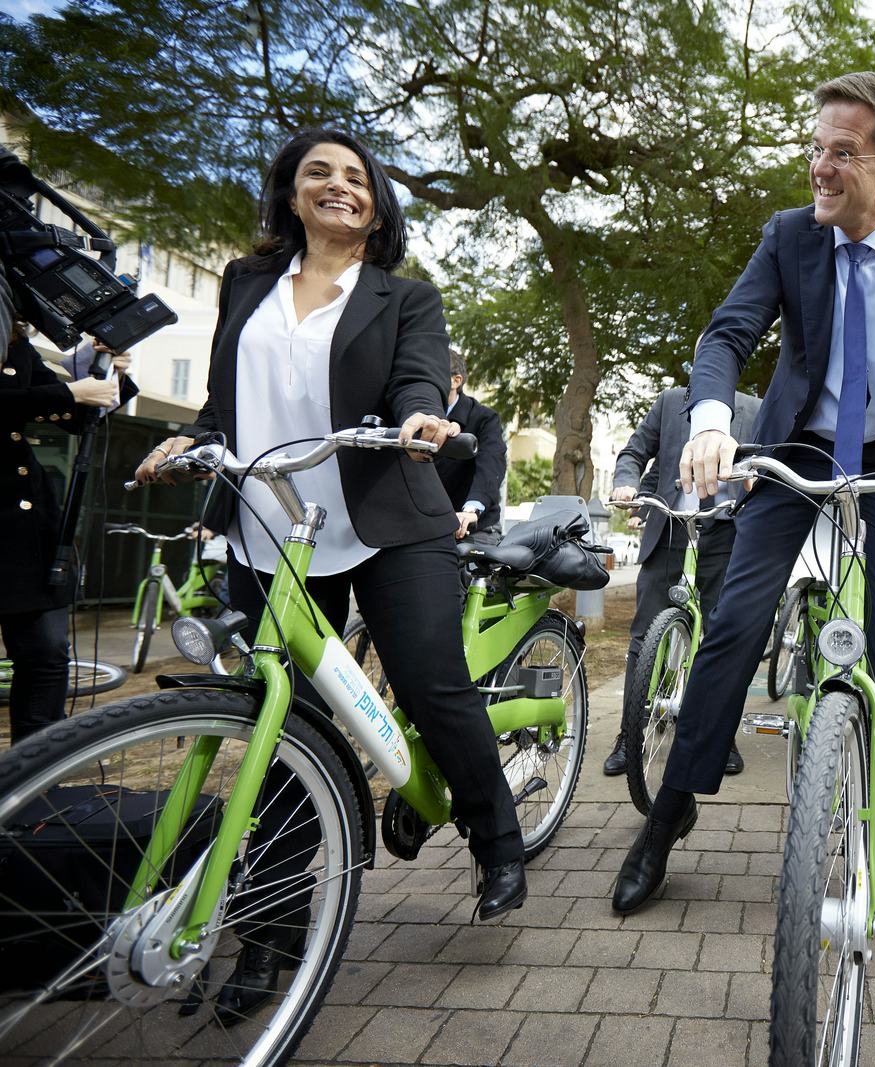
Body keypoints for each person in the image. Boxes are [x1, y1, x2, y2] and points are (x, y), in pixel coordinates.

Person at [611, 72, 875, 954]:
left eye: (843, 152)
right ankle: (672, 810)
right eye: (816, 148)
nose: (820, 167)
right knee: (733, 623)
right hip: (796, 452)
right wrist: (708, 422)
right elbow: (727, 335)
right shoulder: (786, 239)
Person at [134, 128, 526, 1020]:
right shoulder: (246, 282)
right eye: (320, 172)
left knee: (433, 681)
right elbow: (222, 404)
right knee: (282, 735)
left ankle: (495, 835)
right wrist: (192, 441)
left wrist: (423, 417)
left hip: (388, 519)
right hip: (272, 531)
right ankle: (271, 942)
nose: (338, 186)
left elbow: (418, 381)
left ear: (377, 204)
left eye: (356, 177)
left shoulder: (404, 296)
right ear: (292, 191)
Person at [602, 384, 760, 777]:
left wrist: (757, 480)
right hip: (669, 527)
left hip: (726, 530)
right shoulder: (671, 402)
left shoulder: (754, 409)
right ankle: (629, 734)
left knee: (724, 635)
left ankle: (720, 736)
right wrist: (626, 482)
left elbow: (767, 460)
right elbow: (634, 451)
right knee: (643, 636)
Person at [2, 318, 135, 744]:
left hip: (27, 527)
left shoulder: (16, 344)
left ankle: (35, 778)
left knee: (45, 653)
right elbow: (52, 399)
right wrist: (68, 391)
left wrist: (103, 372)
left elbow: (78, 419)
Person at [434, 348, 507, 542]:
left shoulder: (485, 419)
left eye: (432, 374)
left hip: (475, 527)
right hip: (423, 526)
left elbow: (491, 465)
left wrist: (471, 511)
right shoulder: (409, 418)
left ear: (455, 381)